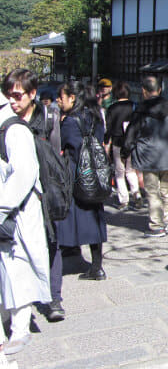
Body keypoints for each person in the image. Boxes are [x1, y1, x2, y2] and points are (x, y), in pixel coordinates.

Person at [2, 69, 64, 321]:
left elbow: (57, 151)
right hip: (20, 199)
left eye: (18, 95)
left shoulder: (47, 116)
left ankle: (53, 299)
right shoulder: (6, 120)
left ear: (32, 94)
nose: (13, 101)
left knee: (51, 242)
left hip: (46, 189)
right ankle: (21, 303)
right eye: (9, 95)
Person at [0, 90, 51, 355]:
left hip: (15, 213)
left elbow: (24, 174)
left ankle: (20, 328)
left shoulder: (13, 131)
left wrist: (1, 209)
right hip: (9, 212)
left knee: (17, 270)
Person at [121, 76, 168, 238]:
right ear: (159, 90)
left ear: (144, 91)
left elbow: (131, 133)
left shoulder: (141, 110)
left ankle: (156, 225)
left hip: (148, 155)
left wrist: (126, 152)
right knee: (165, 189)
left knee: (152, 191)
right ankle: (164, 218)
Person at [56, 81, 109, 281]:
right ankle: (97, 266)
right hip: (95, 173)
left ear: (72, 98)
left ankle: (67, 250)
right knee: (95, 216)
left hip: (75, 173)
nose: (59, 100)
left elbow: (66, 145)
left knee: (69, 216)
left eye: (62, 96)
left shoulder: (70, 121)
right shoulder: (95, 116)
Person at [105, 81, 142, 210]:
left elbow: (108, 129)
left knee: (119, 172)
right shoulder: (135, 106)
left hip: (117, 142)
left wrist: (106, 143)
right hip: (132, 142)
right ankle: (136, 194)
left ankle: (124, 200)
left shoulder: (112, 108)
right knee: (131, 170)